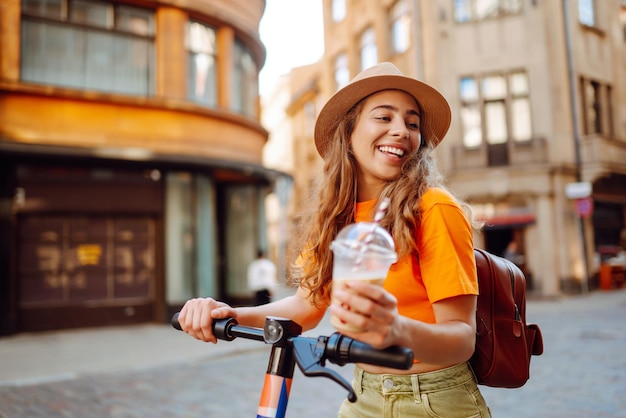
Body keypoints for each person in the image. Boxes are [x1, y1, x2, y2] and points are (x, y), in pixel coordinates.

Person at [178, 62, 491, 417]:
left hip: (433, 400)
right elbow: (305, 308)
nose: (402, 131)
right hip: (364, 394)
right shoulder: (335, 217)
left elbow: (461, 340)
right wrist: (232, 313)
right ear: (350, 131)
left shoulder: (434, 208)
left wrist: (396, 329)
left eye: (412, 123)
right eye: (384, 118)